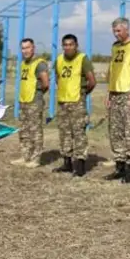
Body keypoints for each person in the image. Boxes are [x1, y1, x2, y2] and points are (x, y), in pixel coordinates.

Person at [104, 17, 130, 183]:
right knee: (115, 132)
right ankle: (119, 165)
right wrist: (108, 93)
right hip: (115, 93)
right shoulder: (115, 47)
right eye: (114, 31)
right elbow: (112, 70)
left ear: (127, 29)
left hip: (128, 92)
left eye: (119, 31)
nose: (116, 34)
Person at [53, 34, 97, 177]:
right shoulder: (59, 60)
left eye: (71, 45)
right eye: (65, 45)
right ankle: (67, 163)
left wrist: (83, 93)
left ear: (76, 45)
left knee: (79, 134)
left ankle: (80, 165)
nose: (68, 47)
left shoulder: (82, 59)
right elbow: (58, 78)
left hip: (77, 102)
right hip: (62, 102)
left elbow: (92, 81)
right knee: (64, 133)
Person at [12, 38, 50, 168]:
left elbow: (45, 83)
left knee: (35, 131)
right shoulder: (23, 64)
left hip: (34, 102)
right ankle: (25, 156)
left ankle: (35, 159)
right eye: (23, 48)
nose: (25, 51)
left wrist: (38, 94)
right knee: (24, 131)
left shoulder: (40, 63)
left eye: (28, 47)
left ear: (33, 48)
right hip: (23, 101)